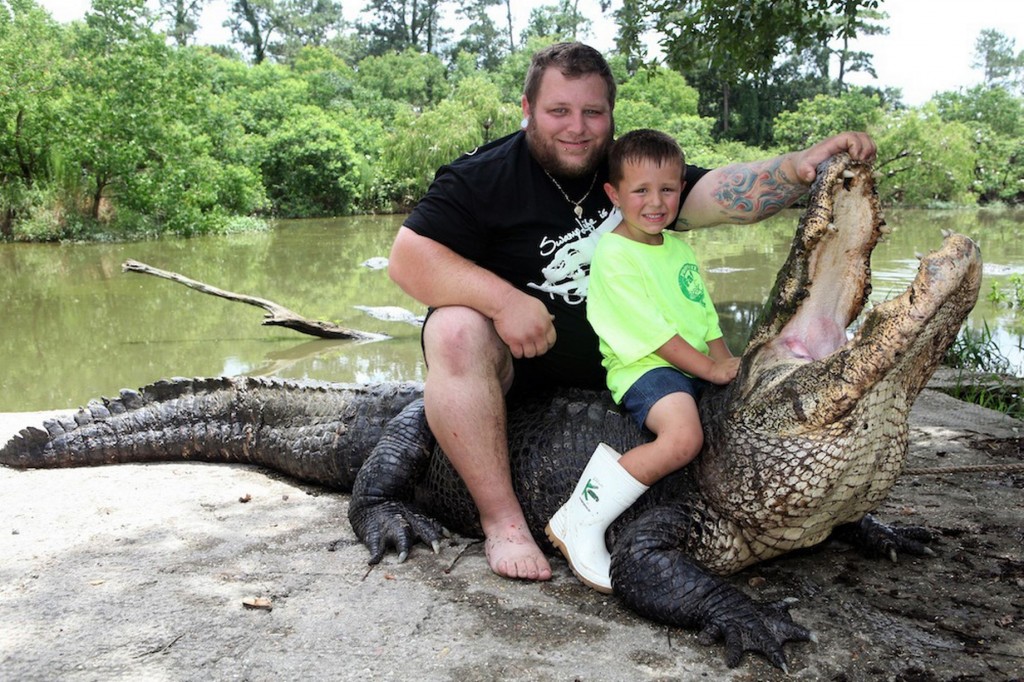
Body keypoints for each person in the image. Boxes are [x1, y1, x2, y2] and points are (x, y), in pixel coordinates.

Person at [388, 41, 876, 583]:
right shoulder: (482, 178)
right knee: (455, 329)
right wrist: (504, 301)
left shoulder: (631, 173)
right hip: (520, 371)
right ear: (527, 110)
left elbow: (719, 192)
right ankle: (504, 524)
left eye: (593, 112)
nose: (577, 127)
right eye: (559, 111)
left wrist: (796, 168)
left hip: (635, 371)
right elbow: (408, 260)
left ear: (610, 116)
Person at [546, 129, 739, 593]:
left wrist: (727, 361)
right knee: (683, 438)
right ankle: (580, 518)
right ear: (614, 194)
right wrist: (710, 371)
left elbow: (703, 315)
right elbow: (655, 335)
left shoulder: (676, 247)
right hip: (644, 366)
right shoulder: (613, 254)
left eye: (668, 189)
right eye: (641, 191)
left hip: (685, 362)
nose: (656, 202)